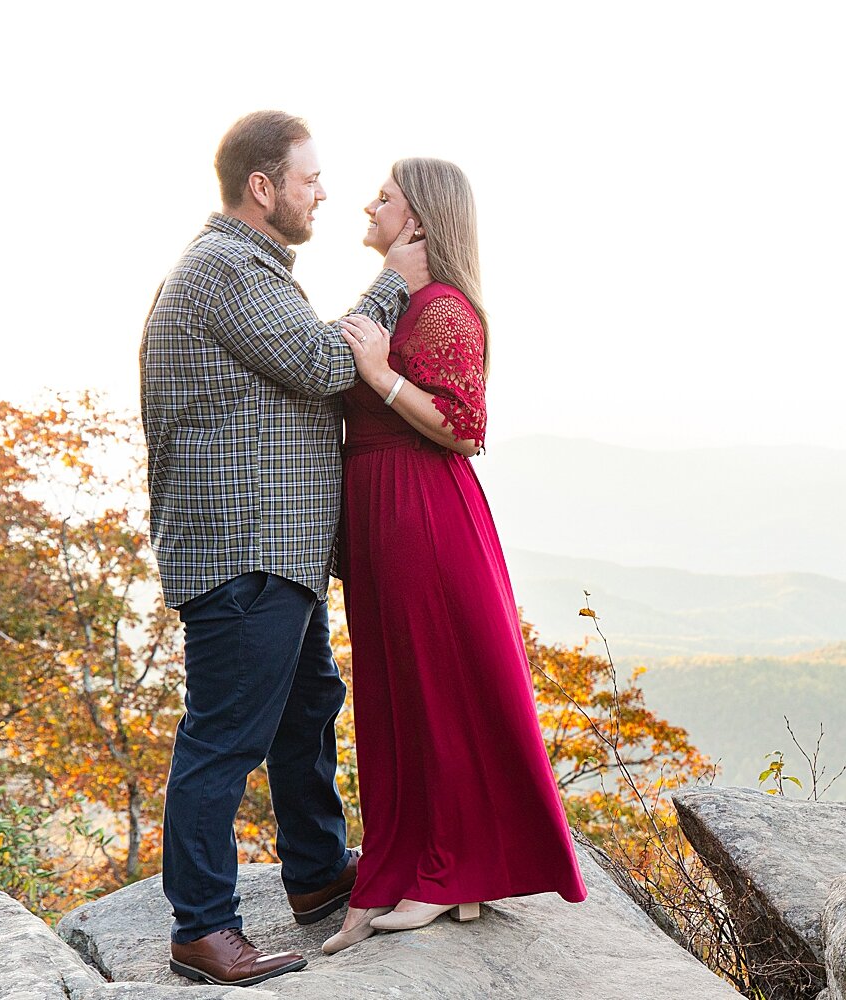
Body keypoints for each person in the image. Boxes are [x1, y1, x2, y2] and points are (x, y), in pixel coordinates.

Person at [139, 110, 430, 987]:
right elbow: (321, 363)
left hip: (277, 553)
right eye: (308, 178)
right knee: (225, 738)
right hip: (243, 554)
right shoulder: (225, 268)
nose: (323, 192)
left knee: (305, 713)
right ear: (261, 187)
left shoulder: (253, 268)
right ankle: (202, 927)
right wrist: (394, 280)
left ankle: (314, 875)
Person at [321, 158, 587, 955]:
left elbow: (466, 424)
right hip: (380, 507)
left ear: (422, 219)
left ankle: (450, 873)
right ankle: (431, 867)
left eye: (385, 196)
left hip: (419, 508)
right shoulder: (403, 299)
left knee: (433, 687)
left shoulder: (442, 308)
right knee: (402, 691)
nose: (368, 203)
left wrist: (376, 373)